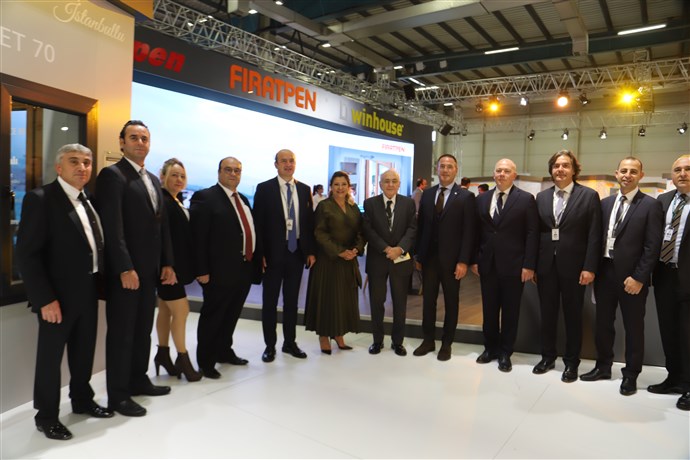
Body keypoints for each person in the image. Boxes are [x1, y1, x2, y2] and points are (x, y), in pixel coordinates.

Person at [17, 144, 113, 440]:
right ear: (59, 167)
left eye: (87, 162)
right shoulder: (40, 199)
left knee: (83, 352)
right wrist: (45, 299)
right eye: (74, 162)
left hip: (88, 290)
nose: (82, 167)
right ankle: (46, 416)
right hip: (55, 298)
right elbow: (27, 255)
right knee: (50, 360)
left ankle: (82, 400)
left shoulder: (89, 199)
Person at [96, 120, 176, 417]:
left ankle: (138, 380)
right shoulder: (113, 175)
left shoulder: (152, 179)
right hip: (126, 274)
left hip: (150, 272)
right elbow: (112, 227)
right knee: (122, 334)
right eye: (134, 138)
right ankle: (118, 396)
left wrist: (167, 262)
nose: (140, 143)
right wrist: (124, 267)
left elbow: (161, 226)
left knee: (142, 330)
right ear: (122, 143)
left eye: (144, 138)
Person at [579, 157, 663, 395]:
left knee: (633, 327)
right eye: (623, 170)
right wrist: (591, 268)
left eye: (633, 171)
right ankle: (603, 367)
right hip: (604, 273)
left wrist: (639, 277)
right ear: (616, 173)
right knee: (603, 324)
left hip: (632, 279)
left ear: (641, 175)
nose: (627, 175)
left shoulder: (650, 205)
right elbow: (596, 239)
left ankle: (631, 375)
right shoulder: (605, 203)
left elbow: (652, 246)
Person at [533, 150, 601, 383]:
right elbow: (537, 234)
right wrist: (533, 265)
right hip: (546, 267)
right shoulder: (542, 197)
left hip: (575, 268)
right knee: (547, 315)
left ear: (574, 170)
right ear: (551, 170)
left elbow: (594, 235)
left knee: (573, 317)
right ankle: (547, 357)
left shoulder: (588, 196)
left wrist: (589, 267)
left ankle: (572, 363)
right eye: (556, 166)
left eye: (565, 165)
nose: (560, 169)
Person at [190, 157, 261, 379]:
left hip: (243, 268)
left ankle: (224, 351)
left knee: (231, 314)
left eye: (237, 170)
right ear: (219, 172)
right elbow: (198, 237)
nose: (233, 174)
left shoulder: (243, 200)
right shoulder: (205, 197)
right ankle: (206, 361)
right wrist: (201, 270)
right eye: (228, 170)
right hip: (217, 272)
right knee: (213, 316)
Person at [471, 159, 538, 372]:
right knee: (489, 311)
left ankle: (505, 352)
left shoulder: (526, 199)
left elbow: (532, 233)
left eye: (506, 171)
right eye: (498, 170)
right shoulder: (482, 199)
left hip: (514, 266)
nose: (502, 174)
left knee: (510, 312)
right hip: (487, 264)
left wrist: (529, 264)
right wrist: (474, 259)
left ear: (514, 175)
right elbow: (475, 232)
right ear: (493, 174)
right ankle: (490, 348)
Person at [253, 149, 316, 363]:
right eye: (284, 161)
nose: (288, 164)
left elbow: (308, 223)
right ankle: (269, 346)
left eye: (291, 161)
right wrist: (260, 254)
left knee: (291, 302)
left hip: (296, 254)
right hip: (272, 255)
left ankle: (290, 342)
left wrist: (310, 251)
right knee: (269, 302)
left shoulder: (304, 189)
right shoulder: (264, 189)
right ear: (276, 164)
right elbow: (258, 224)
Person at [414, 155, 476, 361]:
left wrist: (463, 261)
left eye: (450, 167)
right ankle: (428, 340)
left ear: (456, 170)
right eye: (442, 166)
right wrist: (419, 255)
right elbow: (422, 227)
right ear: (437, 169)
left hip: (453, 261)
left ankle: (446, 343)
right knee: (428, 302)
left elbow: (469, 232)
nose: (446, 170)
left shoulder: (466, 197)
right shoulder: (427, 194)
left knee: (451, 302)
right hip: (429, 260)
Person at [305, 171, 366, 353]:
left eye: (343, 184)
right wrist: (339, 251)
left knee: (344, 300)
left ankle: (339, 334)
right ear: (331, 187)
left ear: (349, 187)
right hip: (328, 259)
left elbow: (361, 232)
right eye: (336, 184)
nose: (340, 188)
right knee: (327, 299)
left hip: (348, 260)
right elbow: (319, 233)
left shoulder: (353, 207)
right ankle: (324, 336)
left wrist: (356, 249)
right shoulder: (324, 206)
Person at [153, 158, 201, 382]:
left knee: (165, 310)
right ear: (162, 177)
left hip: (175, 268)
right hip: (169, 270)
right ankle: (183, 358)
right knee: (182, 311)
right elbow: (162, 237)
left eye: (182, 176)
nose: (179, 179)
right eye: (174, 175)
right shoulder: (163, 201)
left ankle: (163, 354)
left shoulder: (175, 200)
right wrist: (167, 265)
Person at [649, 154, 690, 410]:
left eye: (688, 169)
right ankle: (673, 378)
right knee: (668, 330)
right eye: (677, 170)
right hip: (665, 275)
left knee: (688, 333)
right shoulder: (663, 201)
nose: (682, 173)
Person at [362, 169, 417, 356]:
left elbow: (412, 229)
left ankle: (397, 342)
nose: (390, 184)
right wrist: (386, 249)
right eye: (386, 181)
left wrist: (399, 249)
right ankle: (377, 341)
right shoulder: (370, 204)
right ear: (380, 184)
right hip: (378, 259)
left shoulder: (408, 203)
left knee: (400, 303)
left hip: (400, 259)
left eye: (394, 181)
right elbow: (368, 230)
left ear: (399, 184)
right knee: (377, 302)